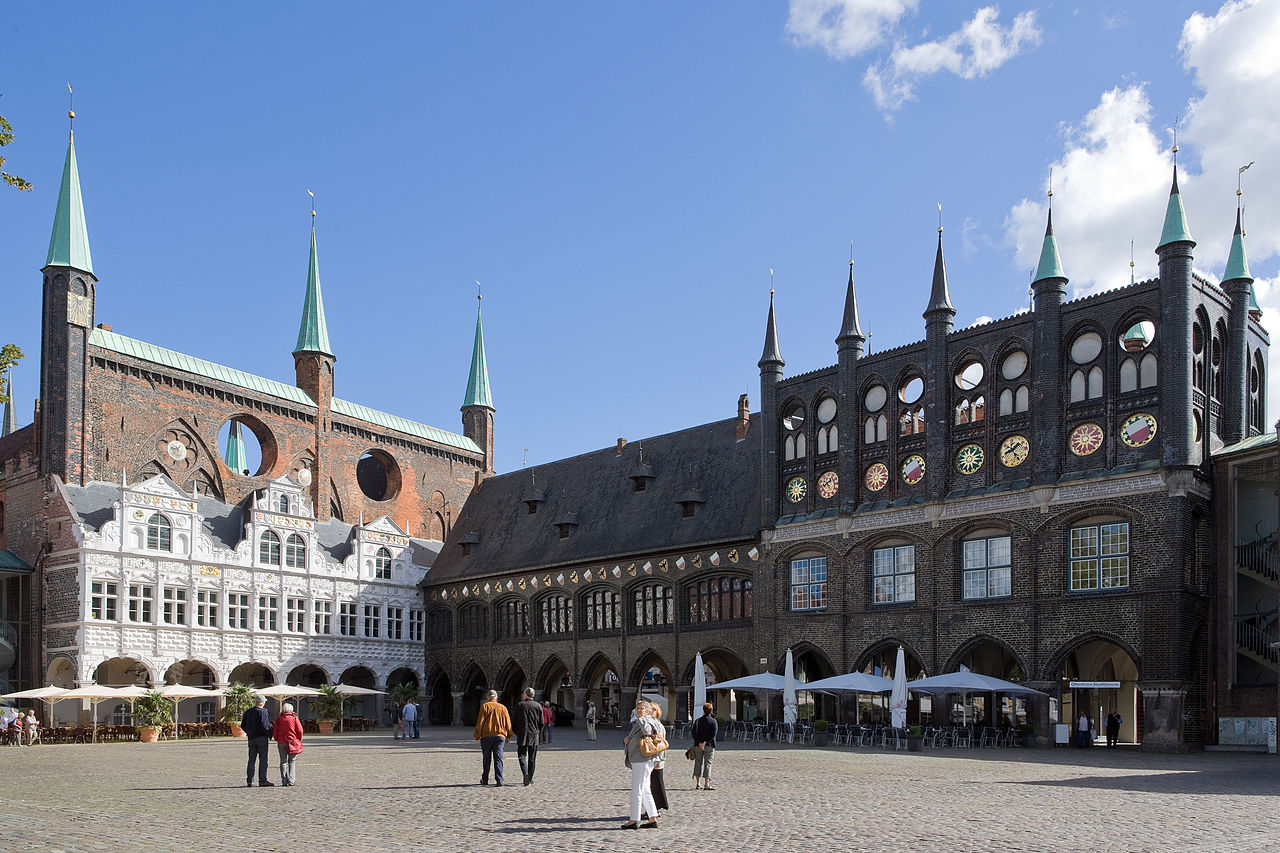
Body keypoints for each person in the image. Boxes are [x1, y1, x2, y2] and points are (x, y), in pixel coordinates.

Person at [621, 700, 661, 830]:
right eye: (637, 708)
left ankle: (634, 819)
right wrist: (628, 739)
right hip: (642, 759)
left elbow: (647, 732)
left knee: (636, 790)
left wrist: (643, 718)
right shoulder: (644, 720)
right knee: (644, 789)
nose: (639, 710)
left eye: (642, 708)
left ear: (648, 710)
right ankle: (653, 817)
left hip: (642, 759)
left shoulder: (646, 720)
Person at [473, 689, 513, 786]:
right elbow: (508, 723)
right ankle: (499, 779)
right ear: (496, 697)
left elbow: (480, 722)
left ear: (488, 697)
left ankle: (485, 779)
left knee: (486, 758)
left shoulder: (484, 707)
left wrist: (477, 735)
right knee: (498, 757)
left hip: (486, 736)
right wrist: (508, 735)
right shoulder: (503, 708)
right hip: (500, 736)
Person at [513, 687, 543, 786]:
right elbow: (542, 723)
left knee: (521, 755)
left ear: (525, 694)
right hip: (534, 735)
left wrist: (516, 732)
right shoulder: (538, 706)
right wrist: (538, 731)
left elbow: (514, 721)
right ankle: (529, 778)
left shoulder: (520, 705)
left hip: (523, 734)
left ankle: (525, 772)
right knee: (532, 758)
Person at [241, 696, 274, 786]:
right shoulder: (263, 712)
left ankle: (249, 780)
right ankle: (262, 780)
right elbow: (265, 726)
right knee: (263, 760)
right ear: (262, 702)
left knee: (251, 760)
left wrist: (248, 732)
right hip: (261, 738)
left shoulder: (248, 711)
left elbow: (243, 725)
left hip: (251, 738)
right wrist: (270, 734)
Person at [645, 703, 669, 818]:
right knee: (653, 784)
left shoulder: (657, 725)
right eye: (649, 709)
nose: (651, 711)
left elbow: (659, 743)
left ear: (658, 712)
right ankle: (653, 809)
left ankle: (655, 809)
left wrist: (658, 760)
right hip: (655, 758)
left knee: (655, 785)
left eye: (653, 710)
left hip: (657, 759)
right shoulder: (653, 723)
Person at [272, 702, 304, 786]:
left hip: (281, 742)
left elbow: (275, 731)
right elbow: (300, 730)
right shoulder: (294, 718)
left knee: (283, 761)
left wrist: (277, 739)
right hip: (292, 741)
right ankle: (291, 780)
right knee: (292, 761)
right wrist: (299, 739)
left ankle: (284, 780)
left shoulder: (279, 719)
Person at [691, 701, 717, 790]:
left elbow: (693, 733)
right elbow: (713, 734)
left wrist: (699, 743)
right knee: (708, 764)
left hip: (698, 746)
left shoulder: (698, 721)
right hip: (709, 745)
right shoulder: (713, 721)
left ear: (703, 710)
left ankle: (698, 783)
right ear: (711, 711)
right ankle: (707, 784)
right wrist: (705, 742)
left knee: (698, 763)